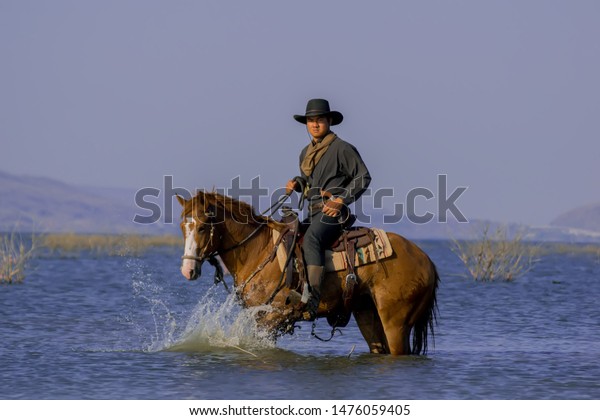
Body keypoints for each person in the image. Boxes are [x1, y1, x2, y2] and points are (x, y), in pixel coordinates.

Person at [286, 98, 371, 321]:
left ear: (329, 121)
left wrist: (341, 200)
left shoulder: (342, 148)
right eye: (311, 121)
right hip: (313, 212)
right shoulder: (305, 152)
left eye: (320, 120)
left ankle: (312, 299)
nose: (315, 124)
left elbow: (363, 177)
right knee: (290, 236)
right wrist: (297, 183)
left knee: (312, 238)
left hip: (333, 214)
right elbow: (308, 182)